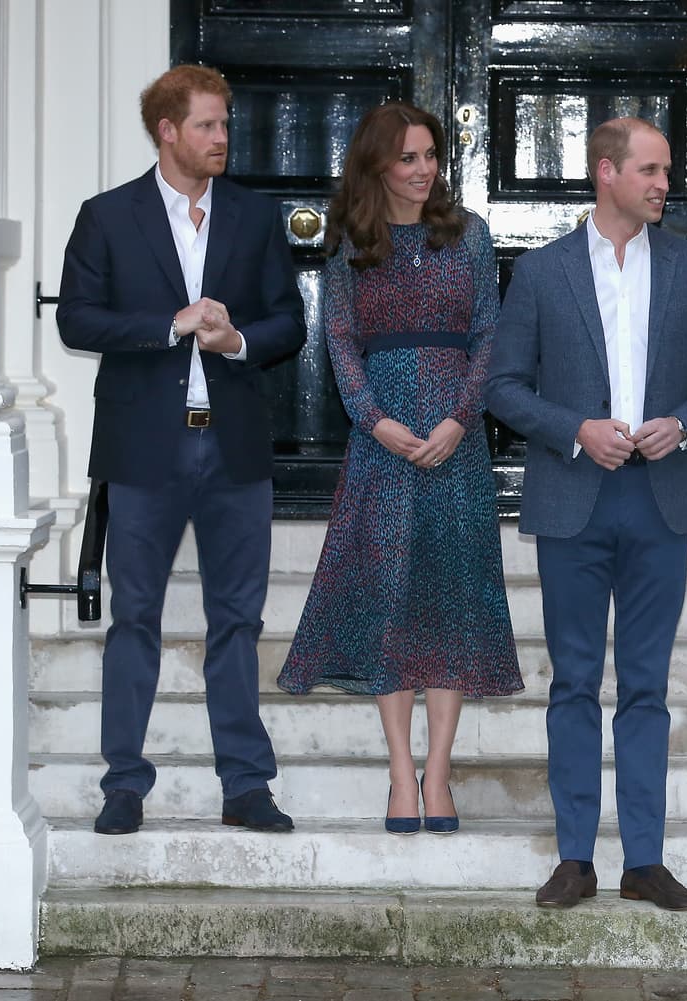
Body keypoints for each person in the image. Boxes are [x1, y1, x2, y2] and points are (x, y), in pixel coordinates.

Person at [484, 118, 687, 908]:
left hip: (660, 497)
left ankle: (644, 860)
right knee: (572, 682)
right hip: (574, 496)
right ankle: (575, 858)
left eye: (666, 169)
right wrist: (576, 430)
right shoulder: (541, 272)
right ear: (607, 172)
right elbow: (504, 386)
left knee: (645, 685)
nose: (664, 182)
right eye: (651, 169)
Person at [57, 65, 306, 836]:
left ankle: (246, 784)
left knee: (239, 621)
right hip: (142, 450)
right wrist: (169, 323)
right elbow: (77, 320)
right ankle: (124, 784)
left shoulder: (255, 218)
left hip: (232, 447)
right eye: (207, 125)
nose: (222, 137)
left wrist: (237, 340)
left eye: (225, 123)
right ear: (167, 131)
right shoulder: (107, 216)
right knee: (135, 618)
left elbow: (289, 322)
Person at [276, 102, 522, 835]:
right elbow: (341, 340)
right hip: (381, 438)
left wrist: (458, 419)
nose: (423, 170)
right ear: (378, 164)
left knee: (447, 601)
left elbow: (489, 335)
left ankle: (439, 773)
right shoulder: (354, 241)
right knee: (387, 602)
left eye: (430, 156)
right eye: (408, 157)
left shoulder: (469, 234)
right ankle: (398, 774)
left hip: (455, 438)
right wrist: (375, 420)